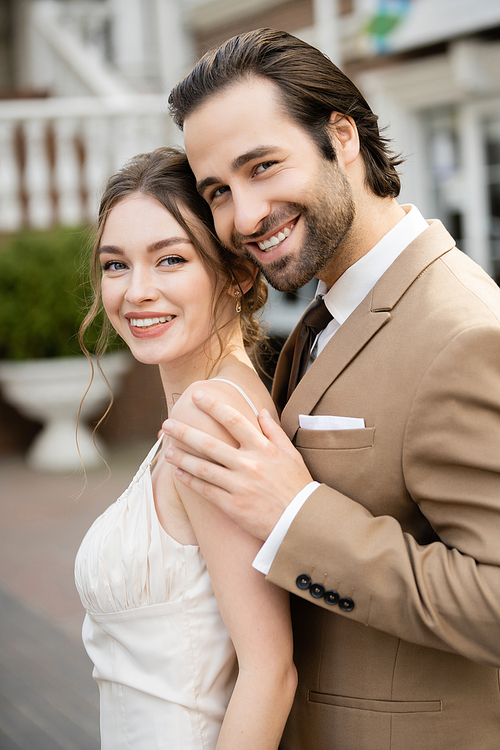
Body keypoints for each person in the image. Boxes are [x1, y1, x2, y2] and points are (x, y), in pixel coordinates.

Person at [162, 28, 500, 750]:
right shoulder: (330, 310)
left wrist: (298, 516)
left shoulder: (462, 331)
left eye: (262, 166)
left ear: (340, 135)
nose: (245, 216)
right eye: (218, 190)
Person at [74, 146, 297, 750]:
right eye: (115, 265)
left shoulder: (210, 417)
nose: (136, 291)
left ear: (237, 274)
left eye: (169, 259)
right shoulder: (216, 399)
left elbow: (270, 670)